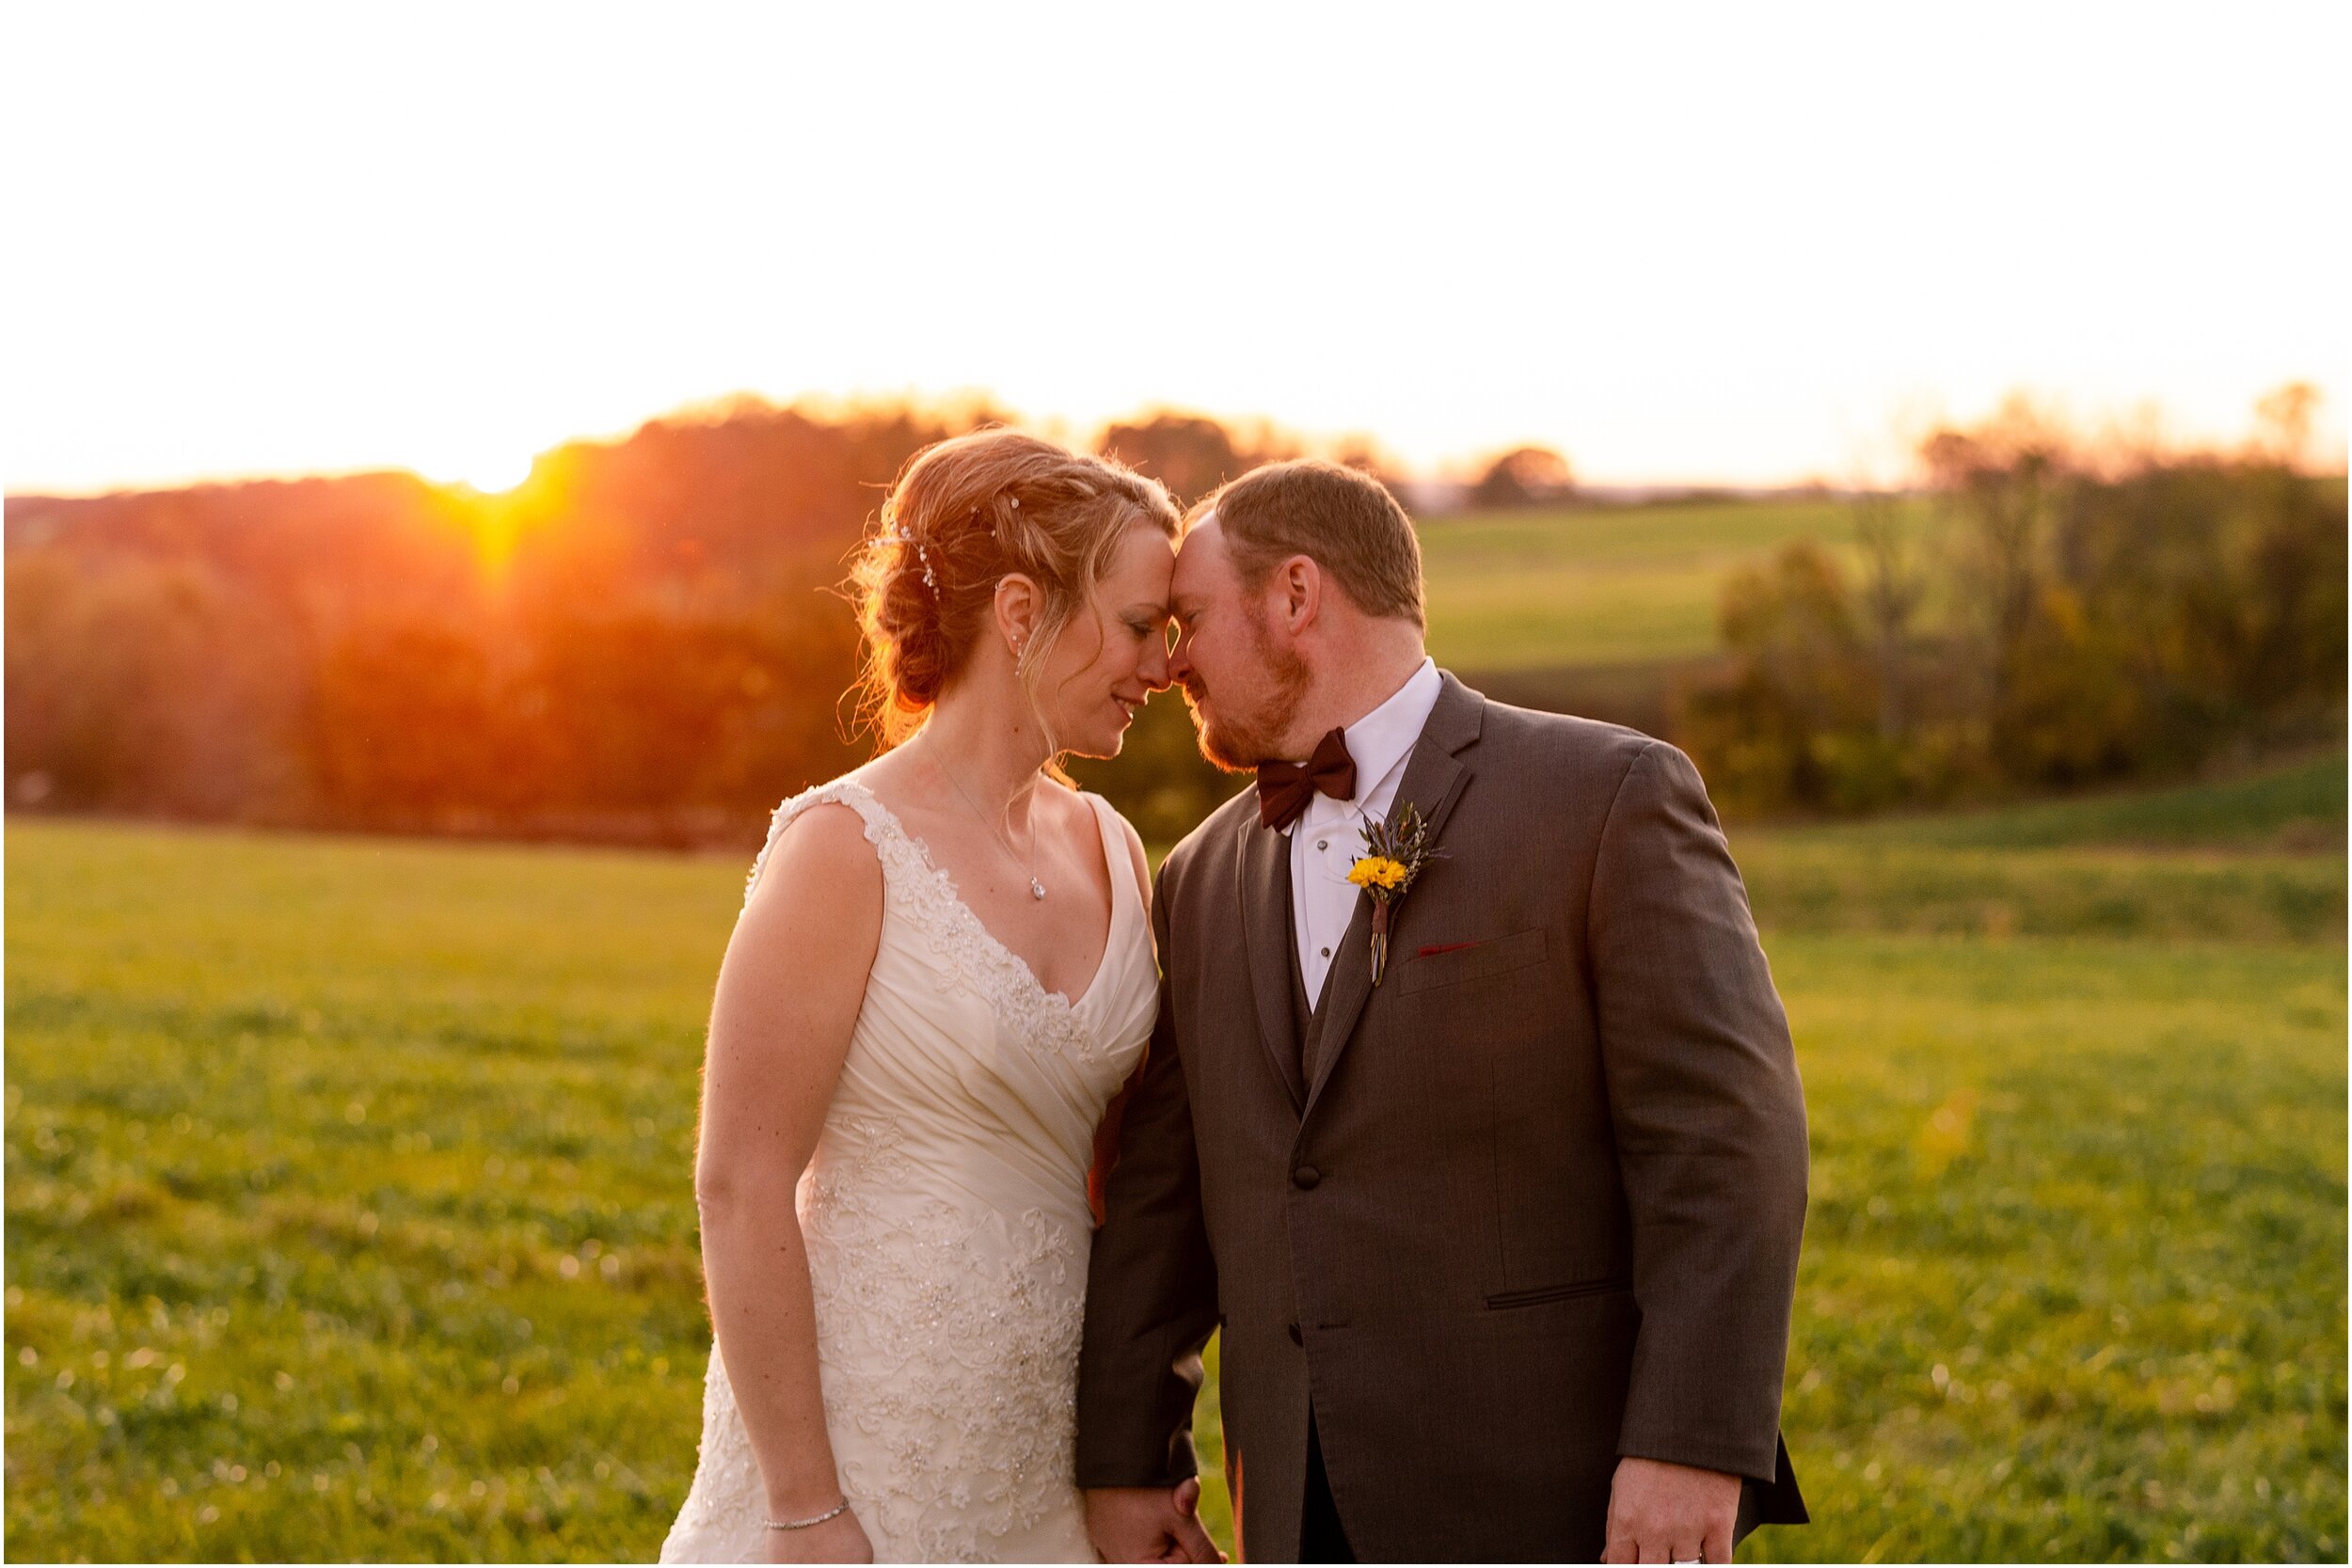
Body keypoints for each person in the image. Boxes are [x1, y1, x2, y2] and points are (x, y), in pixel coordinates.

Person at [1076, 460, 1810, 1563]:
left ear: (1294, 596)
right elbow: (1162, 1201)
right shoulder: (1198, 875)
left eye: (1188, 617)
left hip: (1557, 1496)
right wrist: (1130, 1460)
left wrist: (1690, 1443)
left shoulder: (1606, 798)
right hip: (1293, 1503)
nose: (1170, 656)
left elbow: (1723, 1143)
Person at [660, 430, 1214, 1563]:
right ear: (1020, 612)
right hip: (864, 1455)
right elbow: (741, 1180)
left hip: (1046, 1461)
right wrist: (806, 1504)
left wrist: (1141, 1454)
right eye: (1135, 624)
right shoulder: (843, 848)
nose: (1163, 667)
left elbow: (1126, 1180)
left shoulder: (1114, 844)